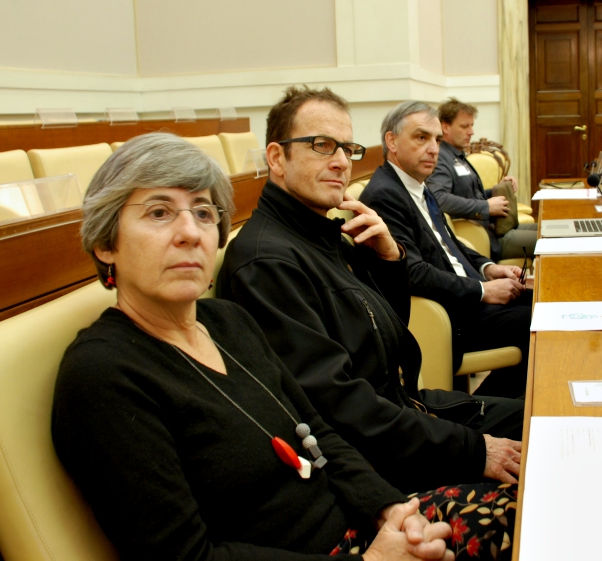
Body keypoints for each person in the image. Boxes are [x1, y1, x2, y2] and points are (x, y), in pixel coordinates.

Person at [52, 132, 515, 561]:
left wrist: (389, 511)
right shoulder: (103, 375)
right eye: (158, 213)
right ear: (105, 243)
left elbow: (317, 430)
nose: (190, 232)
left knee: (545, 495)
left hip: (361, 528)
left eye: (203, 212)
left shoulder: (227, 321)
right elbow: (185, 555)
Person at [217, 86, 523, 496]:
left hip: (405, 413)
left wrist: (390, 259)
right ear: (277, 158)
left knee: (543, 418)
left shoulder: (326, 233)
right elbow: (339, 409)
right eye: (323, 146)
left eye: (347, 148)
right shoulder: (267, 263)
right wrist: (472, 450)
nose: (342, 162)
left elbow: (387, 333)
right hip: (377, 459)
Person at [360, 102, 532, 399]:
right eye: (421, 137)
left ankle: (500, 407)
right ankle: (486, 411)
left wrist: (489, 269)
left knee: (543, 301)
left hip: (463, 297)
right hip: (447, 314)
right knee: (535, 323)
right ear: (392, 141)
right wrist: (482, 290)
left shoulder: (418, 186)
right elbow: (411, 272)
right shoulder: (385, 195)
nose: (433, 148)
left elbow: (451, 244)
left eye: (437, 139)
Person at [428, 98, 536, 261]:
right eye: (465, 126)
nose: (471, 132)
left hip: (493, 228)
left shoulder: (456, 155)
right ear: (445, 127)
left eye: (471, 126)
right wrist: (485, 206)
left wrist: (495, 190)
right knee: (550, 242)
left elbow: (468, 193)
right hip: (486, 238)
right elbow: (439, 199)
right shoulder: (440, 158)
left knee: (548, 231)